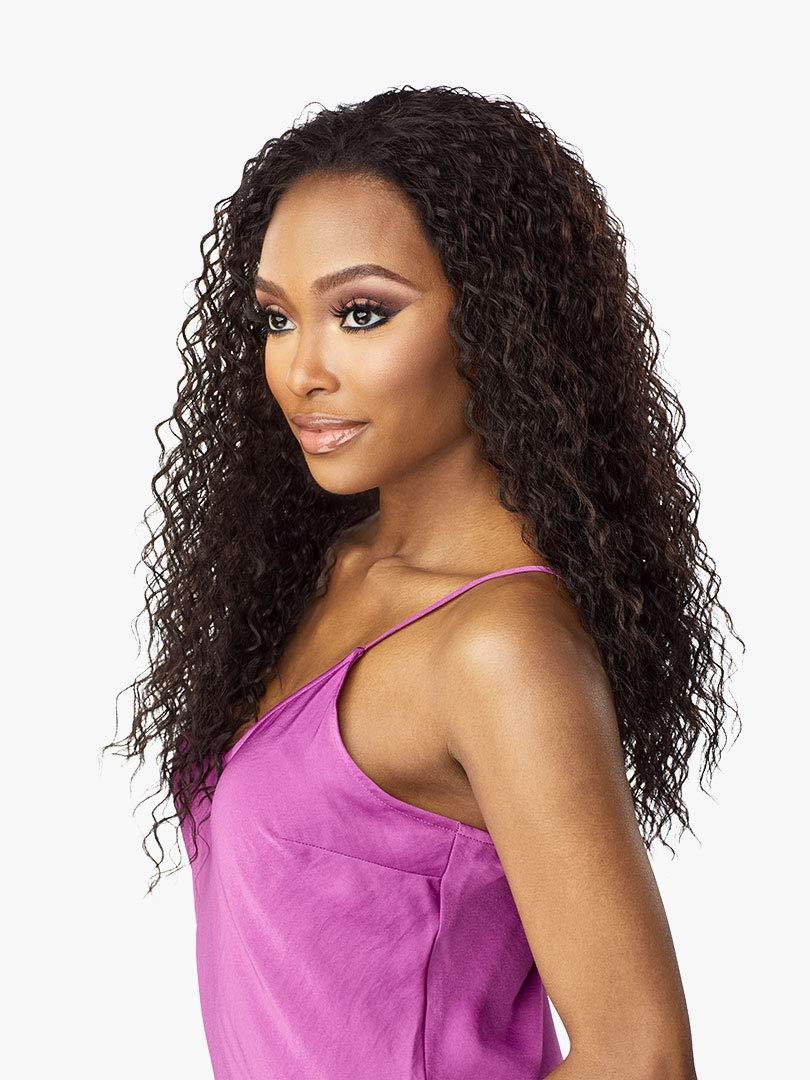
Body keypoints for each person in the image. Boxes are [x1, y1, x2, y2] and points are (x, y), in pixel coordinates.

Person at [108, 85, 742, 1079]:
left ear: (500, 317)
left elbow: (640, 1056)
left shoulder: (500, 649)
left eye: (361, 314)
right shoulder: (324, 571)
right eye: (277, 319)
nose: (302, 370)